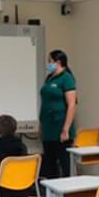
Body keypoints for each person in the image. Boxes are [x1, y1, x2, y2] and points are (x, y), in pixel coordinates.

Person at [39, 49, 77, 179]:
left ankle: (67, 190)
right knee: (50, 166)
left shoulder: (66, 78)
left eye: (50, 61)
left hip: (60, 128)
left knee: (65, 164)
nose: (48, 64)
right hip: (48, 128)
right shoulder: (49, 78)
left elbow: (71, 104)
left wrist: (65, 129)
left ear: (58, 62)